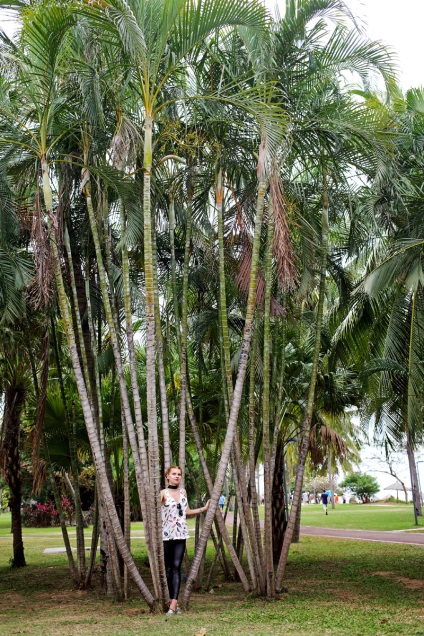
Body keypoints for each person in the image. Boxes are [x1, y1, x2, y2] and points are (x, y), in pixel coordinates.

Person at [161, 465, 210, 616]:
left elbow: (187, 511)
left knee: (176, 566)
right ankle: (172, 603)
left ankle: (174, 604)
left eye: (179, 474)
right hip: (166, 535)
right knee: (168, 569)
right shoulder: (162, 494)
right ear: (167, 476)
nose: (177, 476)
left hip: (180, 534)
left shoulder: (183, 492)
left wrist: (203, 509)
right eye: (174, 474)